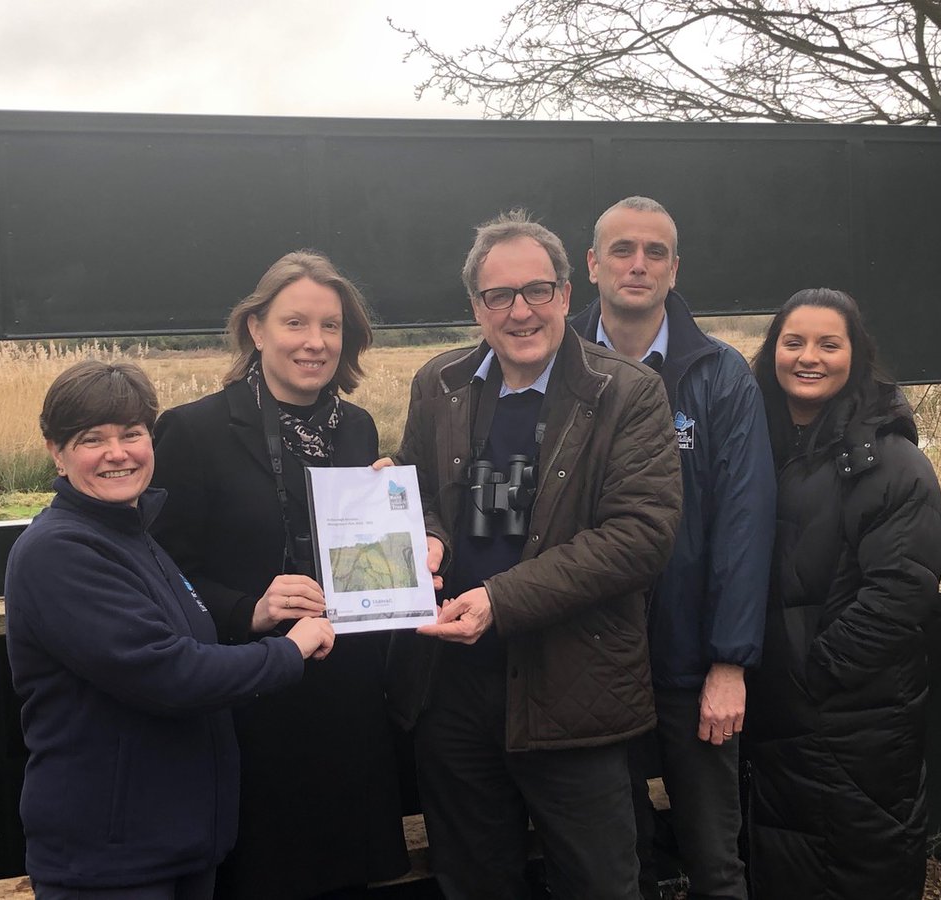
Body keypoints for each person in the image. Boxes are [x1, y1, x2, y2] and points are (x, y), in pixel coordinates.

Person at [386, 209, 683, 899]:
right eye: (499, 296)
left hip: (574, 689)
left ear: (566, 294)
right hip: (453, 694)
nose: (520, 312)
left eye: (537, 291)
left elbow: (641, 535)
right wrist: (425, 530)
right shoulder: (439, 383)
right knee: (474, 879)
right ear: (476, 306)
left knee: (598, 882)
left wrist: (500, 600)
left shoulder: (627, 392)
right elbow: (418, 486)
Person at [4, 360, 333, 900]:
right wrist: (289, 651)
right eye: (92, 439)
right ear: (56, 453)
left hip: (177, 843)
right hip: (110, 861)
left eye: (132, 434)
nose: (118, 453)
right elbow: (168, 672)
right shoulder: (59, 551)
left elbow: (183, 640)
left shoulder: (134, 535)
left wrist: (255, 616)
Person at [149, 251, 409, 898]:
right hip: (253, 706)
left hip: (347, 704)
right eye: (296, 323)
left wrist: (394, 525)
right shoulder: (193, 431)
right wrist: (248, 609)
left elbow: (362, 561)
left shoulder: (357, 429)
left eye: (331, 326)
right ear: (256, 330)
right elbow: (163, 575)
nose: (315, 342)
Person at [568, 196, 775, 899]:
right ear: (591, 264)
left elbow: (744, 526)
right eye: (621, 249)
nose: (638, 264)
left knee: (715, 860)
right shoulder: (553, 365)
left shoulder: (721, 374)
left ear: (675, 268)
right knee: (617, 864)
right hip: (589, 657)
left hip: (692, 662)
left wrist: (730, 662)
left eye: (655, 252)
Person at [744, 288, 941, 899]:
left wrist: (816, 674)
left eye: (829, 344)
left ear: (856, 356)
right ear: (773, 352)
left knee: (859, 863)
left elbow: (900, 591)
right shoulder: (756, 448)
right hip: (777, 717)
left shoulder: (891, 463)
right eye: (794, 342)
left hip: (852, 718)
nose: (809, 357)